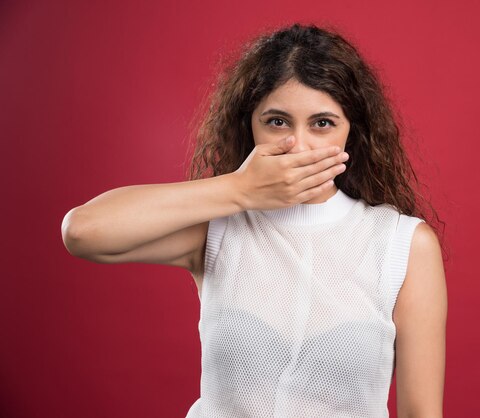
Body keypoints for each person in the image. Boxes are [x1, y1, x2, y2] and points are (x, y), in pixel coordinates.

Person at [61, 23, 447, 418]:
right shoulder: (220, 226)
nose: (297, 145)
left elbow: (422, 412)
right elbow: (83, 231)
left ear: (353, 133)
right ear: (250, 126)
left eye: (322, 123)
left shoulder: (401, 245)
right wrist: (240, 190)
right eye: (277, 122)